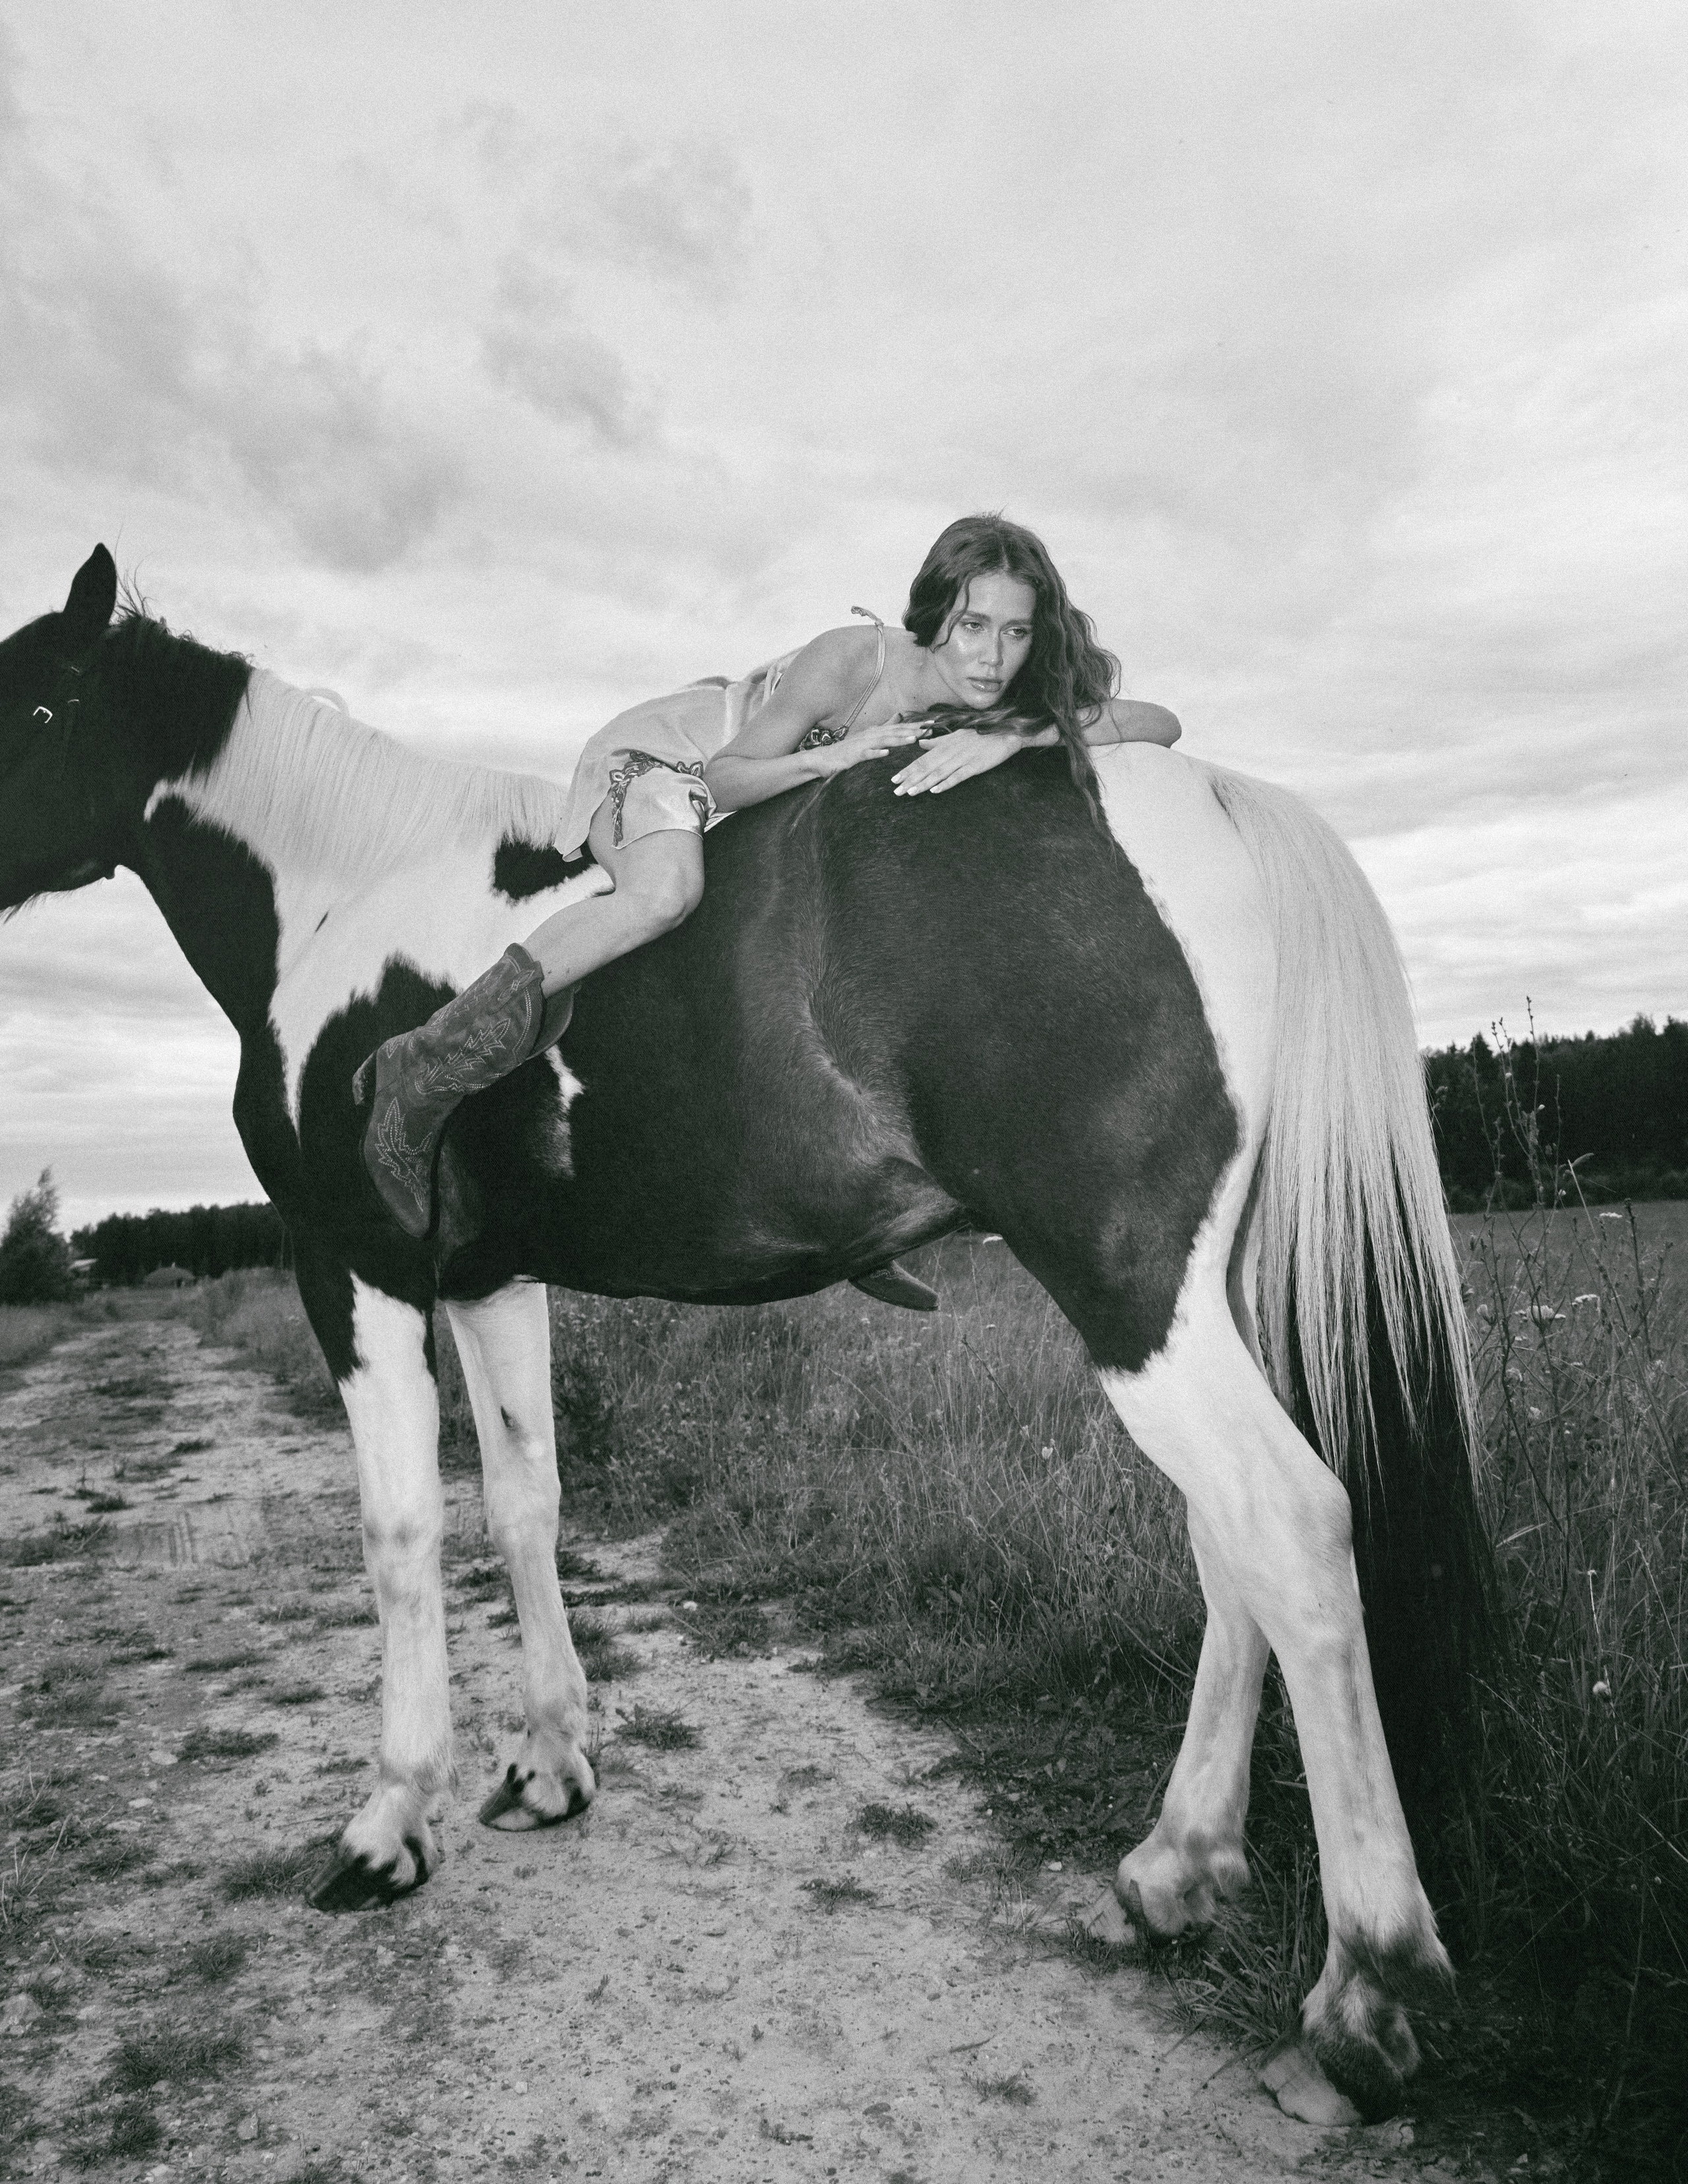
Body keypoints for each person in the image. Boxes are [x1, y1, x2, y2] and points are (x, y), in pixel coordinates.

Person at [355, 514, 1182, 1239]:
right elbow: (725, 778)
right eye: (973, 625)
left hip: (754, 800)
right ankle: (426, 1065)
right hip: (670, 760)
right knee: (664, 893)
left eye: (1015, 632)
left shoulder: (996, 697)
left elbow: (1158, 723)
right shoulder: (853, 660)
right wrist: (836, 757)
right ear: (937, 615)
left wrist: (1016, 736)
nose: (992, 655)